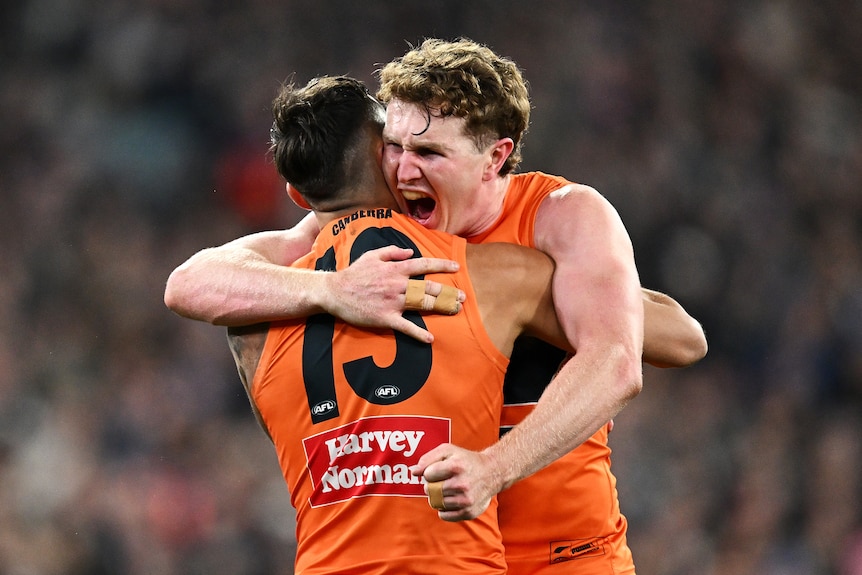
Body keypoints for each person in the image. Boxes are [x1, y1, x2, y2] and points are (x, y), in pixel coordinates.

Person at [164, 39, 707, 574]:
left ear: (495, 157)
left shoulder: (559, 217)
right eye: (394, 147)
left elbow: (649, 350)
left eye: (428, 153)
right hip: (458, 556)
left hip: (567, 555)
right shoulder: (380, 218)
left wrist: (494, 466)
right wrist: (333, 290)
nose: (402, 171)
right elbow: (193, 282)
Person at [226, 74, 572, 574]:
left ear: (298, 196)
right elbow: (666, 337)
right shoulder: (493, 272)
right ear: (388, 163)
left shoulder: (249, 322)